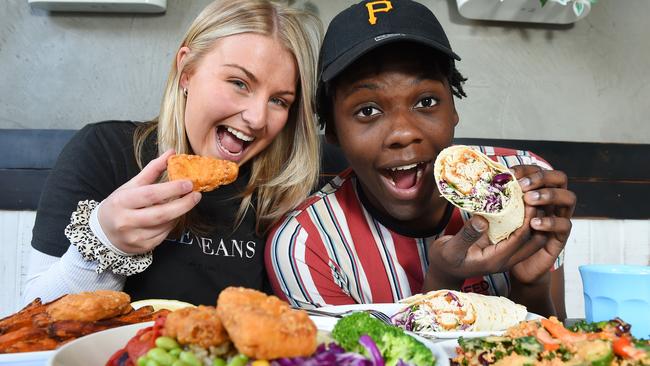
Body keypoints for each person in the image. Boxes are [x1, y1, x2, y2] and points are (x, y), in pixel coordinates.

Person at [265, 0, 576, 319]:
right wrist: (442, 283)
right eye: (367, 110)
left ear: (453, 108)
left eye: (426, 101)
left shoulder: (521, 183)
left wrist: (531, 283)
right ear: (332, 130)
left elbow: (556, 348)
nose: (402, 132)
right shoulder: (307, 244)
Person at [23, 0, 322, 306]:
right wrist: (106, 242)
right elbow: (34, 317)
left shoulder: (287, 193)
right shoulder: (104, 151)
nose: (258, 118)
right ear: (187, 71)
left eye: (279, 101)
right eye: (238, 83)